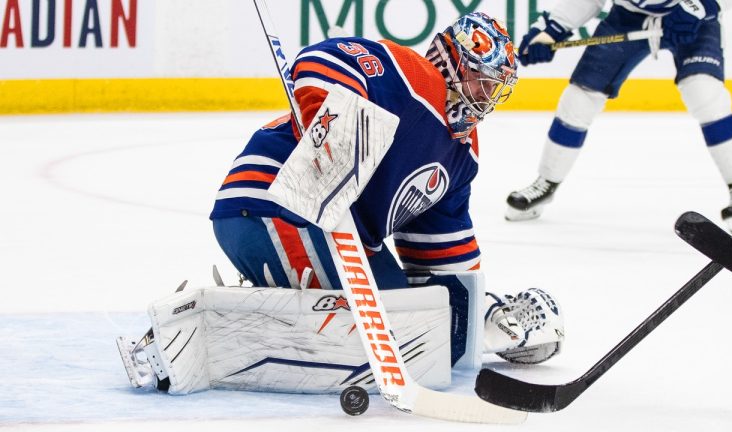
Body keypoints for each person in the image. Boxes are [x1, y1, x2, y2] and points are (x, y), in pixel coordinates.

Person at [115, 12, 565, 396]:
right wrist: (330, 128)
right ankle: (189, 332)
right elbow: (320, 61)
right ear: (450, 64)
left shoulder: (462, 155)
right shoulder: (411, 75)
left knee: (411, 323)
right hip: (271, 201)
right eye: (481, 79)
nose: (488, 95)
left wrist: (480, 319)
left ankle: (251, 311)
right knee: (372, 336)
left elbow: (442, 261)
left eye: (496, 85)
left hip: (340, 237)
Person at [504, 0, 732, 236]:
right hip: (630, 16)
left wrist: (702, 5)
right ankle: (546, 183)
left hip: (695, 16)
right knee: (579, 98)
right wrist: (551, 30)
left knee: (703, 92)